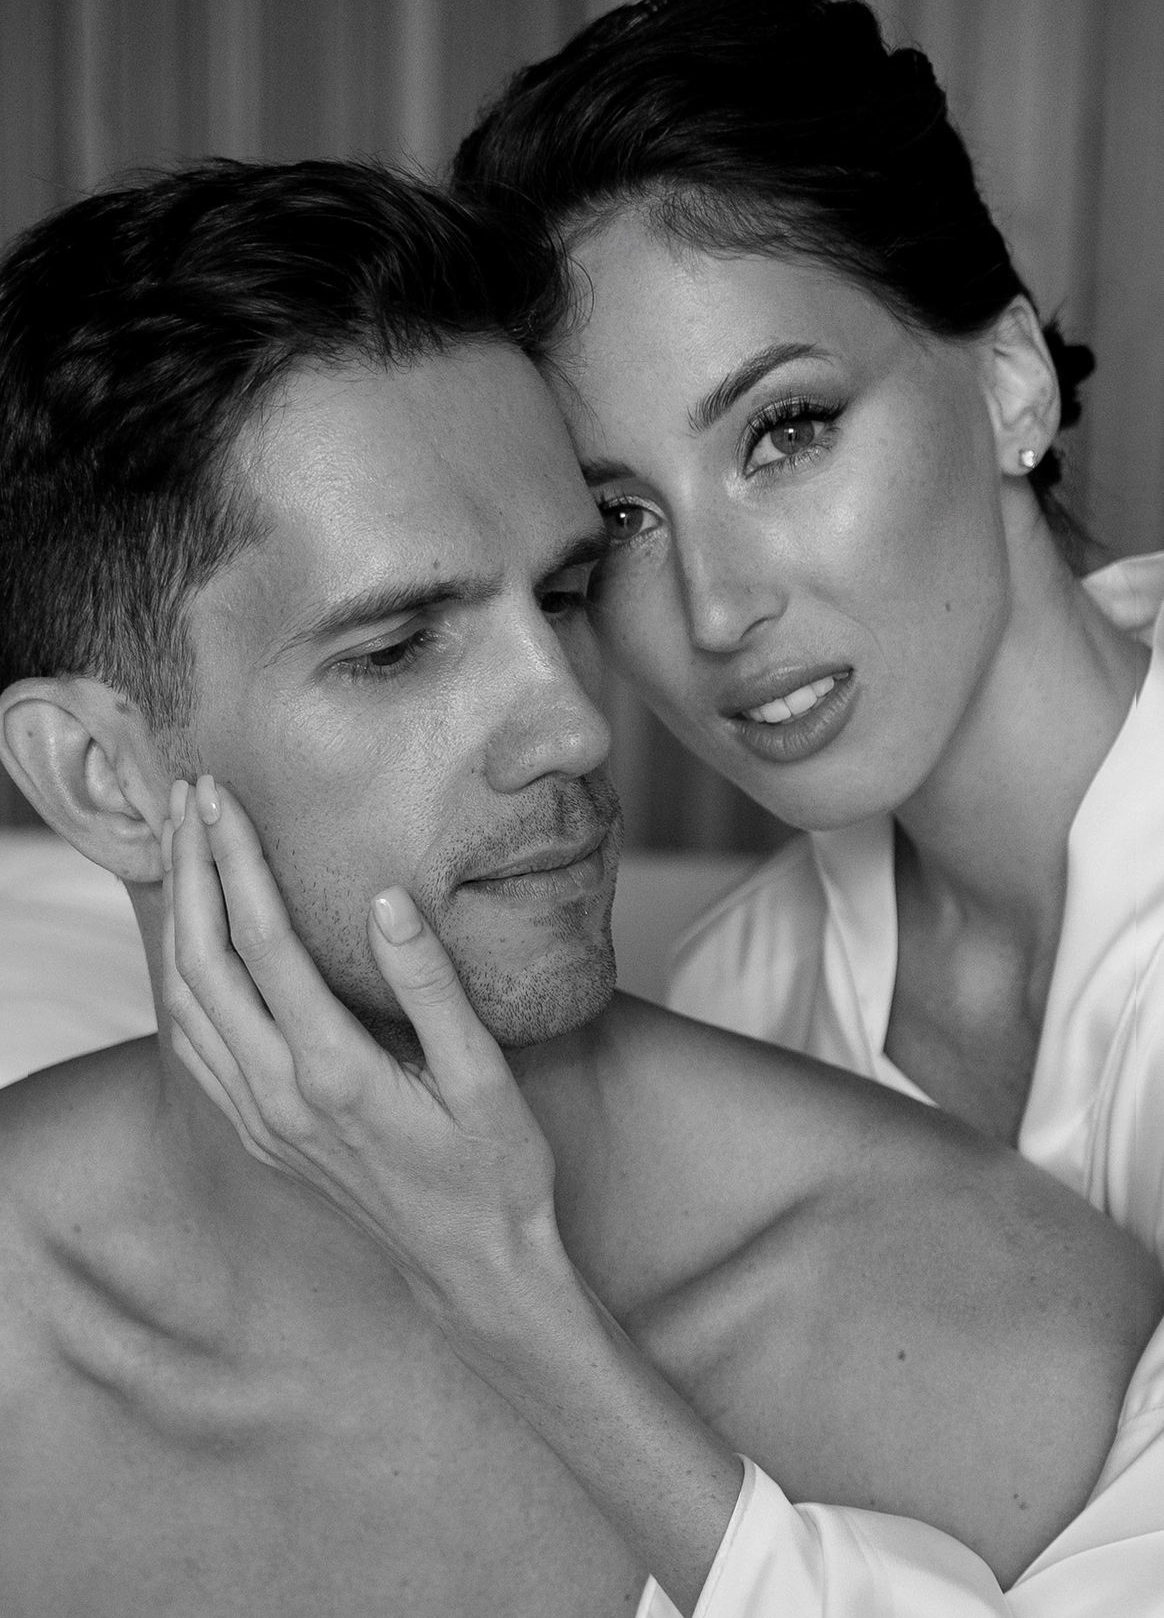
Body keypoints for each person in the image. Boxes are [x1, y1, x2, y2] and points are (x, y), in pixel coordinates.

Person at [3, 159, 1151, 1617]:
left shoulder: (1002, 1332)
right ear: (103, 782)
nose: (574, 730)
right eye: (395, 649)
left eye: (559, 597)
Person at [451, 0, 1164, 1275]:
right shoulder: (742, 998)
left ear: (1011, 383)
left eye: (785, 432)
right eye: (620, 518)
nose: (717, 609)